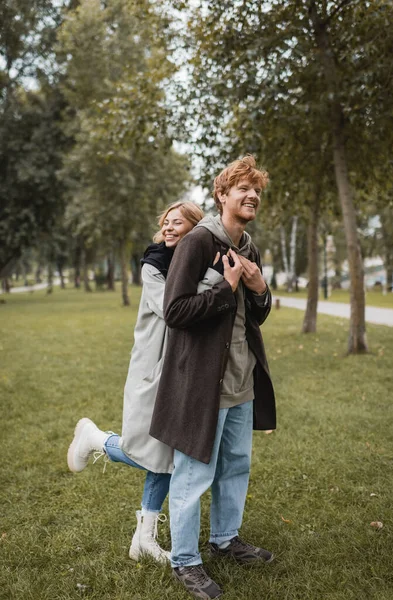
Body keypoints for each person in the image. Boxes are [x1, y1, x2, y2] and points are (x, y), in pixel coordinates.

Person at [150, 156, 277, 599]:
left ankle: (225, 537)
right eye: (242, 188)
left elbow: (256, 317)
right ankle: (185, 561)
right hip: (201, 383)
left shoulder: (250, 248)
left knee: (236, 466)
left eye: (256, 190)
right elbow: (175, 311)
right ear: (222, 195)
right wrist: (225, 289)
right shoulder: (198, 243)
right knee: (193, 473)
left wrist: (259, 289)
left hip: (242, 379)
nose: (252, 196)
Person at [67, 201, 205, 563]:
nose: (171, 227)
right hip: (153, 365)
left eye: (180, 223)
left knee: (167, 455)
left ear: (196, 229)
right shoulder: (154, 264)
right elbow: (175, 310)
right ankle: (97, 439)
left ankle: (143, 539)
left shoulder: (193, 262)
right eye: (167, 222)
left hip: (181, 367)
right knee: (148, 449)